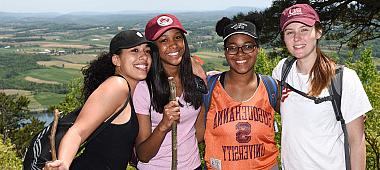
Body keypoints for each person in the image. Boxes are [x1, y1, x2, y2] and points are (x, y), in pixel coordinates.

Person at [272, 4, 372, 169]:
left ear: (318, 32)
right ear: (284, 38)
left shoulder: (343, 79)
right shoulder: (282, 70)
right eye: (290, 32)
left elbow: (357, 142)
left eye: (304, 30)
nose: (296, 38)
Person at [44, 30, 154, 170]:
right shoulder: (117, 86)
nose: (143, 56)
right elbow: (77, 131)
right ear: (116, 60)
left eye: (147, 51)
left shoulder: (129, 90)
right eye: (135, 50)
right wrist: (64, 164)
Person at [203, 15, 279, 170]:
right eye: (232, 47)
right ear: (225, 52)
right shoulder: (209, 88)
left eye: (248, 46)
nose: (240, 53)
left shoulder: (271, 87)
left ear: (257, 49)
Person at [132, 14, 205, 170]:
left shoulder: (195, 82)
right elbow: (143, 155)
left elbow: (199, 133)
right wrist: (163, 125)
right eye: (164, 40)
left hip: (194, 166)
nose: (173, 45)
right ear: (153, 48)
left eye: (177, 37)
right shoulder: (144, 89)